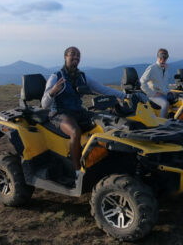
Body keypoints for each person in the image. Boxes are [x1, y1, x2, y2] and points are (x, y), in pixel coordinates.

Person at [42, 46, 125, 175]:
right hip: (59, 113)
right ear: (65, 57)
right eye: (72, 54)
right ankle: (77, 172)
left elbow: (103, 89)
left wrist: (125, 96)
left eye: (78, 55)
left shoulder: (82, 76)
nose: (76, 57)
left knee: (107, 122)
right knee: (75, 132)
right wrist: (52, 92)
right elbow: (44, 104)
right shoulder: (56, 76)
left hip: (79, 111)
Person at [140, 48, 173, 118]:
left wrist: (169, 92)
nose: (163, 59)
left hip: (163, 93)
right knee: (165, 104)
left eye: (165, 57)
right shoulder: (152, 68)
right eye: (161, 57)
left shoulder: (166, 69)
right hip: (153, 95)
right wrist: (152, 93)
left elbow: (165, 84)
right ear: (158, 57)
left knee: (178, 100)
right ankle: (162, 124)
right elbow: (142, 82)